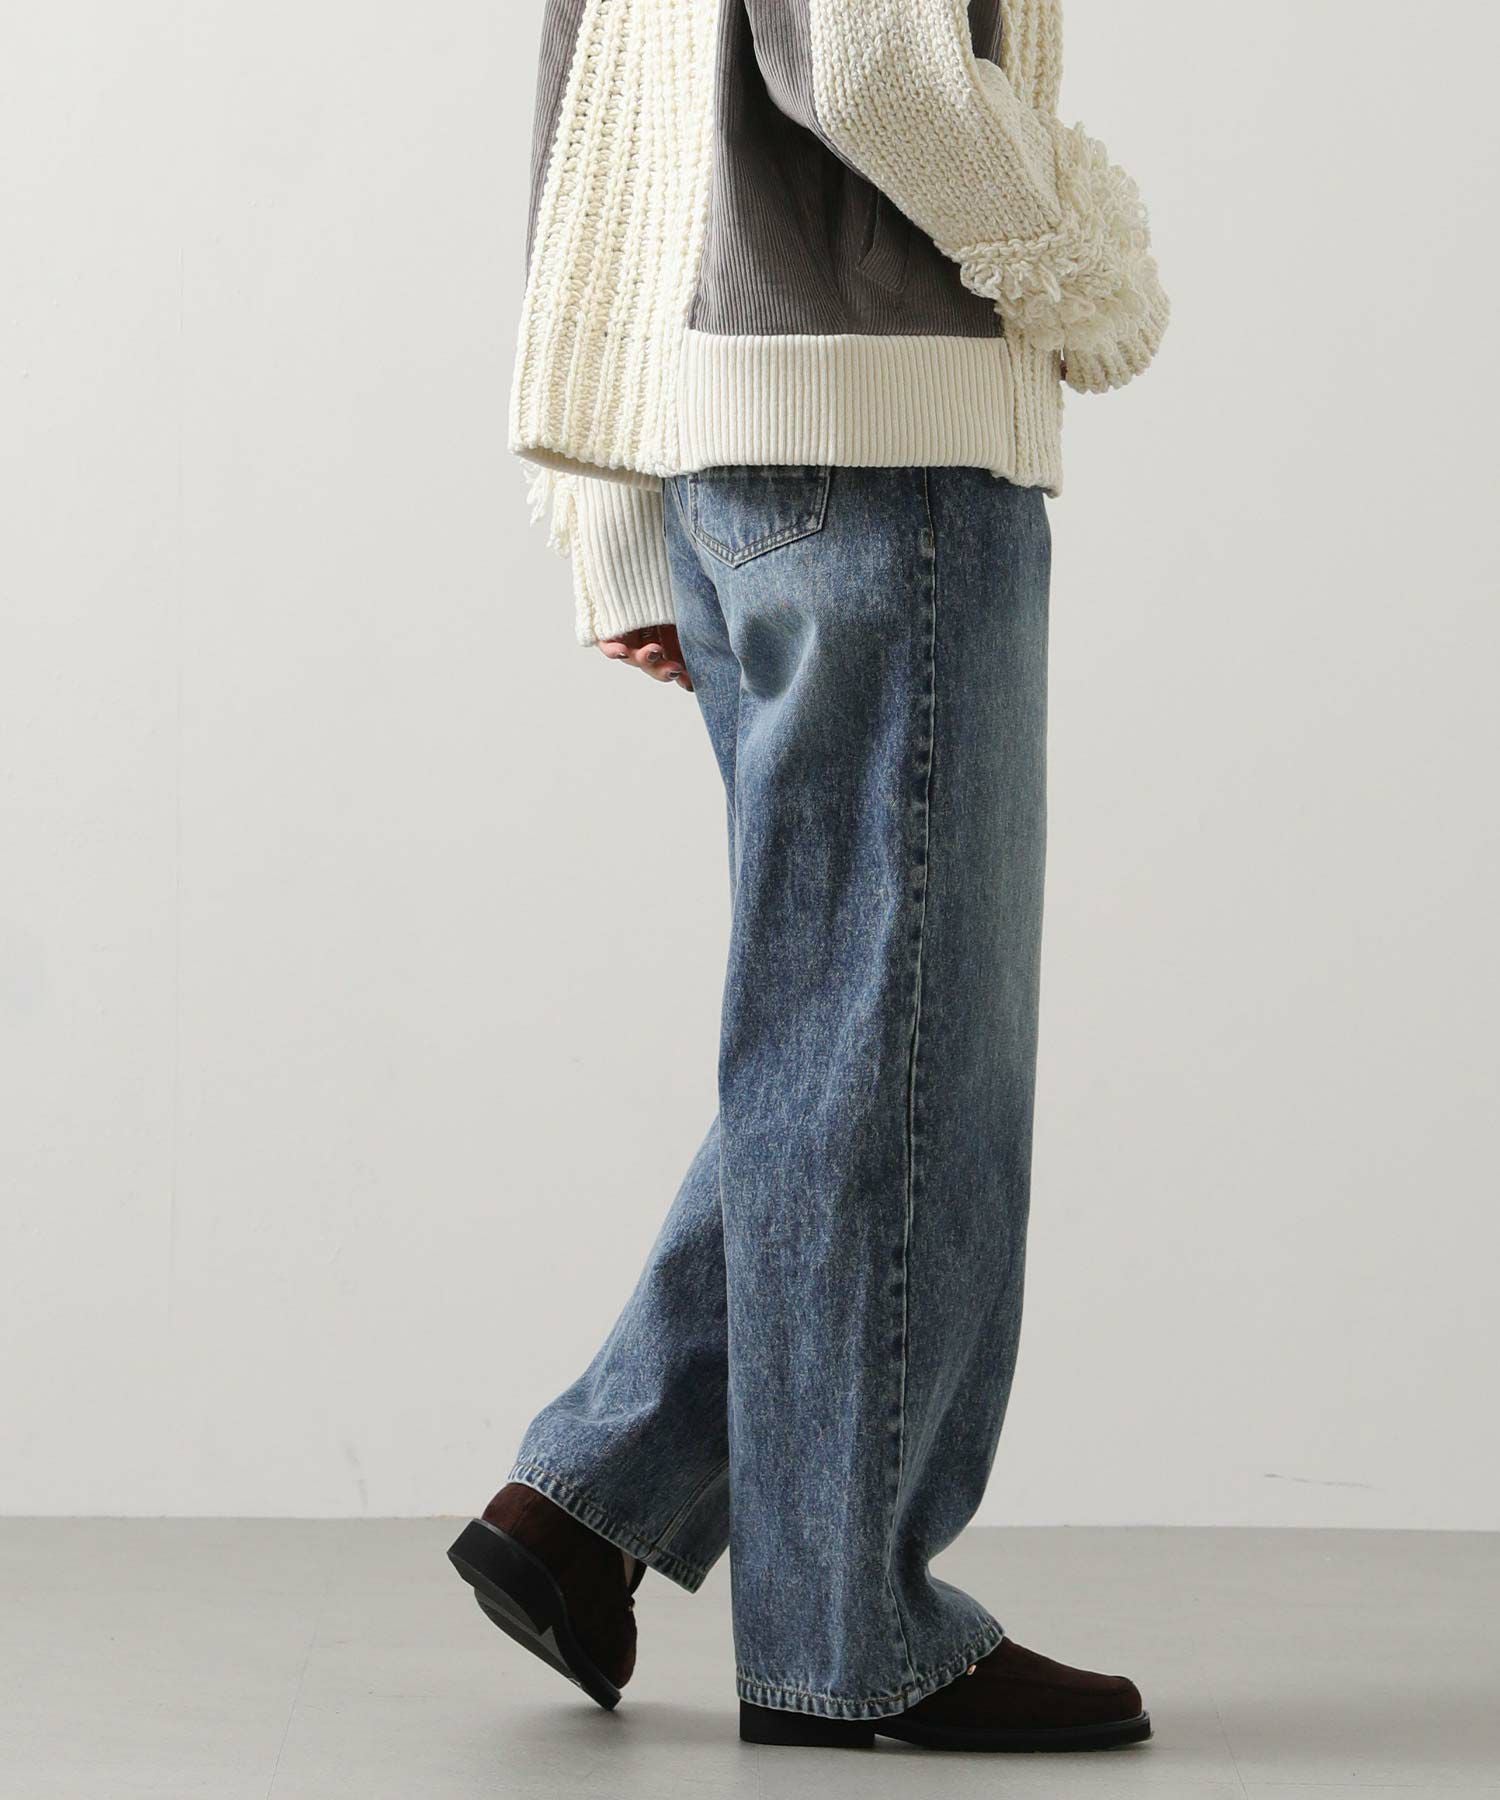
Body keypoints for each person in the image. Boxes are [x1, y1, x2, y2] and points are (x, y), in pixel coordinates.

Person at [448, 0, 1168, 1754]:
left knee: (847, 1033)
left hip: (727, 446)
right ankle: (855, 1634)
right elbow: (871, 65)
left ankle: (591, 1502)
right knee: (902, 1050)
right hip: (881, 447)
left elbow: (595, 103)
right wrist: (1084, 265)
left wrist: (616, 514)